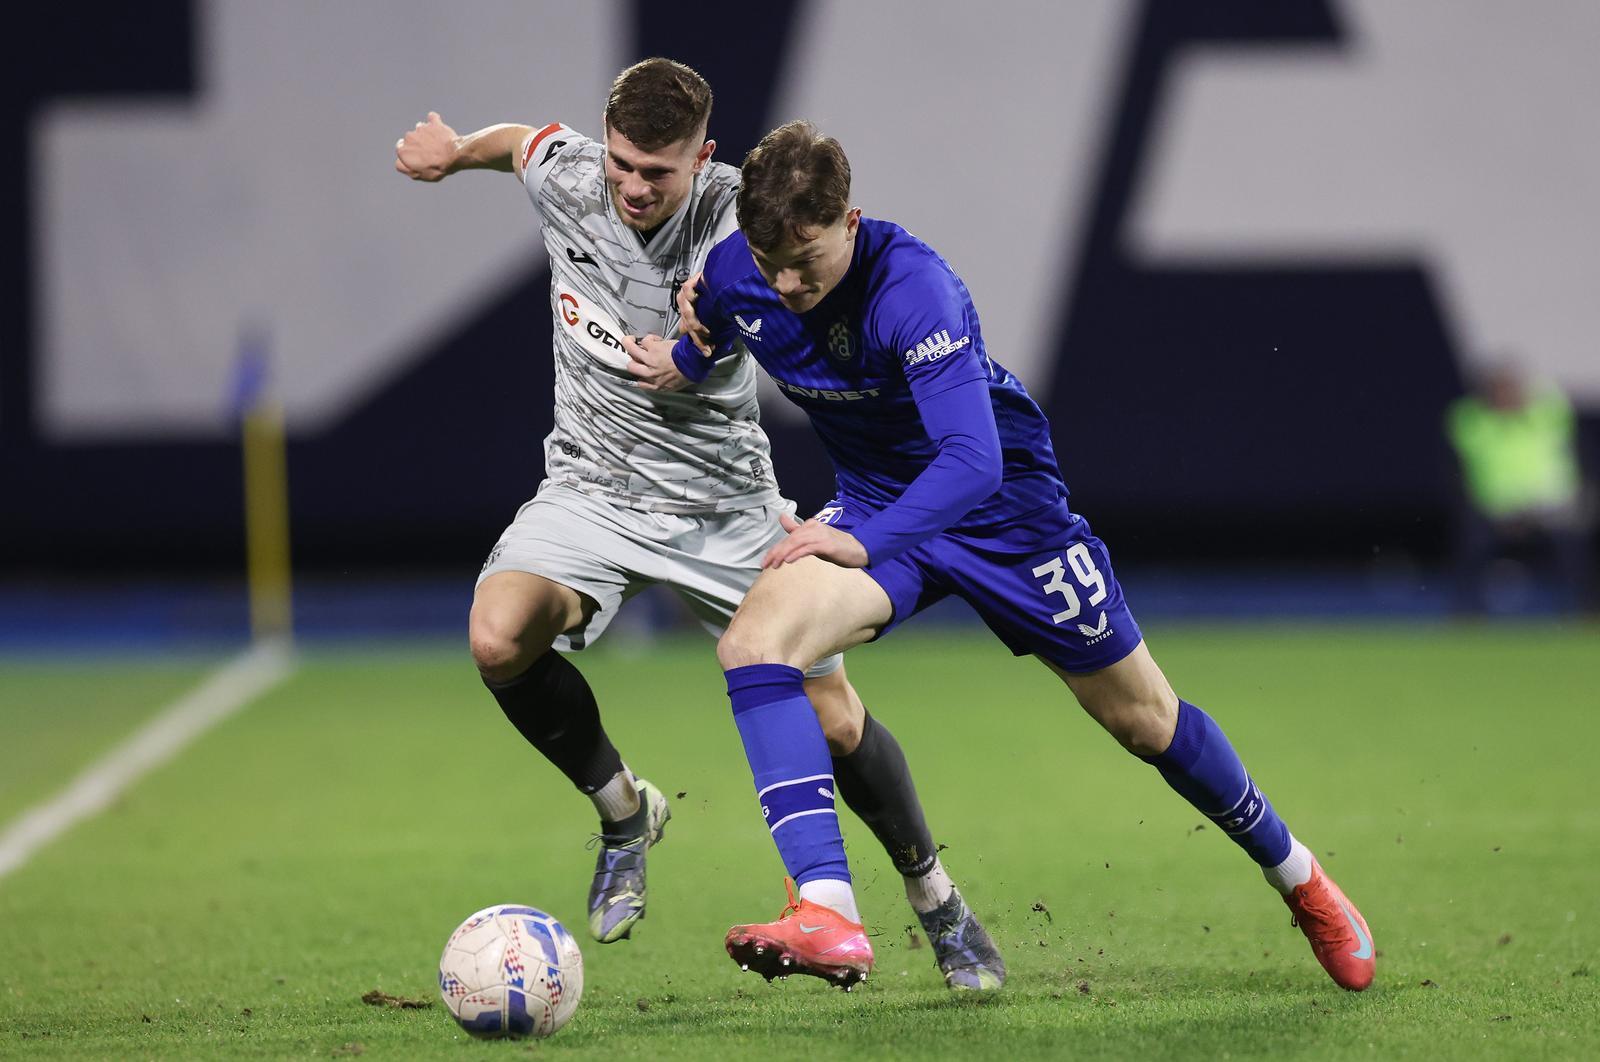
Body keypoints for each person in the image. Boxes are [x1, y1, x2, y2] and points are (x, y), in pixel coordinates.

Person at [624, 120, 1375, 992]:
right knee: (754, 644)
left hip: (1007, 516)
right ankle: (827, 909)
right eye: (770, 260)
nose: (787, 283)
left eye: (808, 259)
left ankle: (1304, 881)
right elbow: (715, 319)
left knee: (1146, 721)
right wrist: (682, 356)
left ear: (851, 221)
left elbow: (972, 463)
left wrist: (862, 541)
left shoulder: (915, 290)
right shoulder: (738, 270)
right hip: (875, 508)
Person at [393, 60, 1003, 989]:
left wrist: (699, 348)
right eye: (625, 165)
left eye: (659, 173)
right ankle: (625, 811)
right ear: (605, 141)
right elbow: (519, 145)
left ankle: (937, 900)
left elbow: (807, 280)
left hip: (725, 505)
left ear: (703, 160)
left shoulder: (739, 221)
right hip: (591, 489)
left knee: (835, 723)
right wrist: (454, 150)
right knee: (496, 637)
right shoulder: (571, 173)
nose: (635, 188)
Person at [1447, 365, 1592, 614]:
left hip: (1548, 504)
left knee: (1573, 545)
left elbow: (1559, 408)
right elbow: (1460, 471)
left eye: (1509, 390)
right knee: (1472, 545)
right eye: (1498, 392)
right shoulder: (1472, 422)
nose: (1505, 397)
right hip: (1497, 508)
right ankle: (1466, 612)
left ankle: (1584, 608)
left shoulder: (1546, 415)